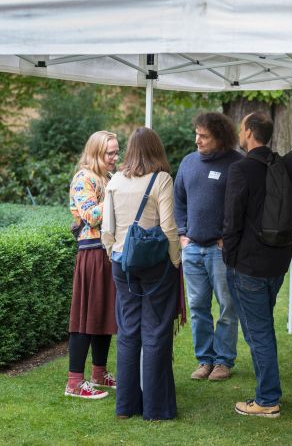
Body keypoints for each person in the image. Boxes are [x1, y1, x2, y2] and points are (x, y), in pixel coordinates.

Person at [102, 127, 181, 420]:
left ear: (130, 150)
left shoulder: (115, 180)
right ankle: (156, 409)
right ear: (156, 149)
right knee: (156, 332)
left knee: (128, 332)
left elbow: (106, 228)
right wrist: (175, 259)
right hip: (156, 264)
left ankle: (125, 406)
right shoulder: (161, 179)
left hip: (122, 263)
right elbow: (169, 226)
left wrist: (114, 253)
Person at [223, 112, 292, 418]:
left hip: (249, 265)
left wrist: (229, 256)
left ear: (250, 133)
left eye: (241, 128)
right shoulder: (282, 165)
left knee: (259, 332)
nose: (240, 133)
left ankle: (267, 399)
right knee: (259, 330)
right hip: (277, 261)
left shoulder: (242, 169)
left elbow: (232, 218)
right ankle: (268, 388)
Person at [174, 112, 242, 381]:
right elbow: (178, 200)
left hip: (219, 250)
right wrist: (182, 234)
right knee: (198, 306)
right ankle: (205, 360)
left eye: (204, 136)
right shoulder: (189, 163)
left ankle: (223, 361)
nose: (197, 140)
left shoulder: (236, 164)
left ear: (220, 137)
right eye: (197, 134)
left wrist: (229, 236)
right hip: (192, 248)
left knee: (227, 306)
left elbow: (243, 205)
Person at [65, 131, 120, 400]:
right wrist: (113, 192)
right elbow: (90, 216)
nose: (115, 157)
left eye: (116, 152)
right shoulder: (83, 178)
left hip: (108, 252)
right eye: (110, 153)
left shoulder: (108, 178)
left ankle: (99, 373)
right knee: (85, 316)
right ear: (96, 152)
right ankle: (74, 382)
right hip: (91, 254)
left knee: (103, 314)